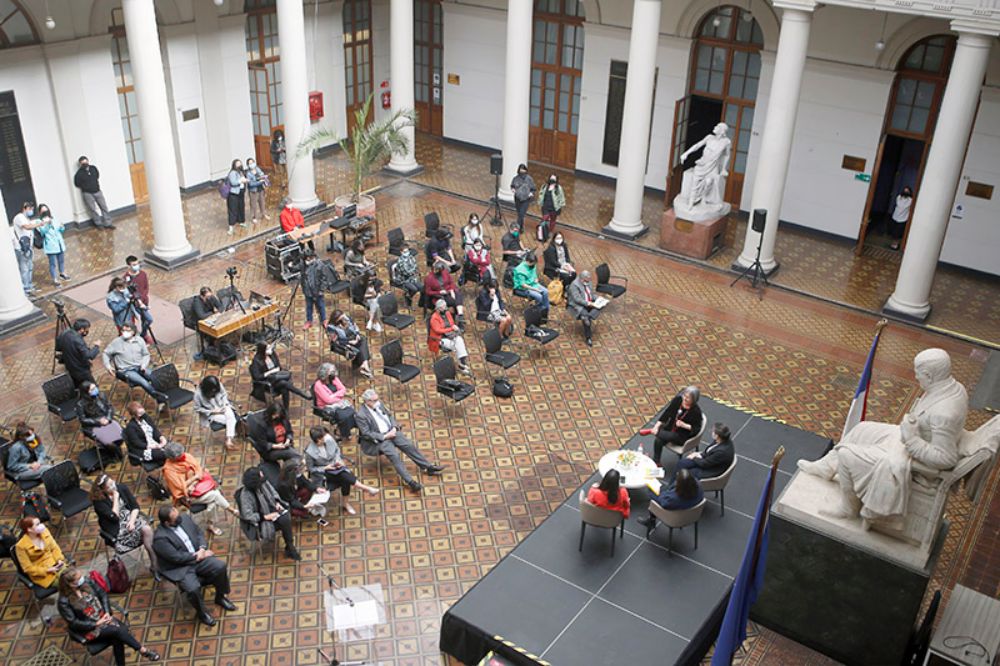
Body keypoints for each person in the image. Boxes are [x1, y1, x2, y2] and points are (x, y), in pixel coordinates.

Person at [798, 348, 967, 523]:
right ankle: (826, 467)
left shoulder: (944, 414)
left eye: (919, 375)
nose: (916, 379)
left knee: (846, 455)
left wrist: (912, 439)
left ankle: (848, 508)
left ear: (929, 375)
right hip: (912, 438)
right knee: (862, 429)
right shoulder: (953, 387)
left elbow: (946, 458)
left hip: (911, 457)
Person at [153, 505, 235, 626]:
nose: (179, 519)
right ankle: (202, 612)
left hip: (199, 557)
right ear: (167, 523)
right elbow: (176, 557)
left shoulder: (185, 518)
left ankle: (220, 596)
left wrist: (202, 548)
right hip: (181, 567)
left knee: (220, 567)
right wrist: (197, 556)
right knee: (192, 589)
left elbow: (198, 533)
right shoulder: (160, 538)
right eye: (176, 519)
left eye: (178, 515)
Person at [57, 568, 160, 664]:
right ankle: (143, 650)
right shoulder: (64, 602)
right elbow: (74, 623)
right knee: (118, 631)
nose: (82, 579)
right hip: (89, 628)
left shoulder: (87, 582)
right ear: (71, 584)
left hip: (103, 617)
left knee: (117, 636)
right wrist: (96, 623)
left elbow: (103, 595)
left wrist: (106, 612)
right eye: (78, 579)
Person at [355, 388, 443, 492]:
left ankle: (427, 467)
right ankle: (410, 481)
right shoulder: (361, 415)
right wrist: (385, 436)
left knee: (408, 445)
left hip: (392, 431)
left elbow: (389, 416)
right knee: (395, 456)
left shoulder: (378, 404)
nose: (377, 402)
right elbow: (367, 433)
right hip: (381, 439)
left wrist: (394, 427)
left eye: (377, 399)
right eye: (374, 400)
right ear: (367, 401)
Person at [162, 442, 238, 535]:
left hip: (198, 485)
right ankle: (232, 510)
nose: (183, 456)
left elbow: (199, 470)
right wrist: (194, 478)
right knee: (215, 494)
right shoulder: (169, 470)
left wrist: (193, 483)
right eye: (180, 456)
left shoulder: (187, 456)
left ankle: (211, 525)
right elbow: (180, 487)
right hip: (188, 496)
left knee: (212, 504)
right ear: (173, 459)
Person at [90, 475, 158, 576]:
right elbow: (114, 517)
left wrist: (131, 521)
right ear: (103, 490)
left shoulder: (122, 487)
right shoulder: (99, 502)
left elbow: (135, 507)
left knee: (147, 530)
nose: (113, 487)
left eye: (112, 483)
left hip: (130, 519)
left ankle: (155, 565)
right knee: (145, 535)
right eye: (109, 487)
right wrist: (116, 498)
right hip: (116, 528)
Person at [306, 427, 379, 515]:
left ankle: (347, 502)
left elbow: (337, 451)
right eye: (322, 438)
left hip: (336, 468)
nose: (325, 439)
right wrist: (325, 468)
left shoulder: (328, 440)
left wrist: (338, 461)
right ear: (317, 440)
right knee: (344, 476)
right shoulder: (310, 452)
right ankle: (366, 489)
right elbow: (311, 469)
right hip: (323, 474)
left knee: (345, 479)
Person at [236, 466, 301, 561]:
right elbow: (248, 515)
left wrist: (277, 502)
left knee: (285, 517)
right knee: (285, 520)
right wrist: (265, 517)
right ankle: (290, 547)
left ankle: (289, 546)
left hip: (271, 509)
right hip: (260, 520)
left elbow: (273, 492)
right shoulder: (245, 496)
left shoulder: (263, 483)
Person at [102, 323, 167, 404]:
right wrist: (108, 366)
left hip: (140, 366)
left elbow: (146, 354)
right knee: (143, 382)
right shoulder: (116, 342)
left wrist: (143, 365)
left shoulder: (140, 340)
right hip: (126, 370)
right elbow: (106, 353)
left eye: (127, 330)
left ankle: (167, 394)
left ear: (133, 332)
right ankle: (161, 400)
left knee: (155, 377)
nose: (124, 332)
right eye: (123, 330)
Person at [645, 386, 703, 466]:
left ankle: (653, 431)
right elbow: (667, 413)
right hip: (670, 428)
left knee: (666, 435)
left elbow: (696, 429)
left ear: (694, 400)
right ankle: (656, 461)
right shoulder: (678, 400)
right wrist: (656, 426)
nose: (685, 399)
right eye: (684, 396)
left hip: (681, 435)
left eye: (688, 398)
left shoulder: (696, 411)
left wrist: (684, 425)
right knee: (658, 440)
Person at [637, 468, 704, 531]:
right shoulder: (698, 485)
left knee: (652, 492)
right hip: (692, 513)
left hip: (675, 515)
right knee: (664, 488)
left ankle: (651, 521)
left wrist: (661, 493)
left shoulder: (673, 499)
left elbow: (663, 502)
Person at [250, 341, 309, 409]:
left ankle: (286, 409)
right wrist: (270, 372)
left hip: (277, 378)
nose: (270, 350)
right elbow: (257, 377)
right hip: (267, 382)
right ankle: (301, 393)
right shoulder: (256, 361)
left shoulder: (272, 354)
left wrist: (276, 371)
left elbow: (278, 366)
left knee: (284, 388)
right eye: (267, 349)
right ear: (262, 350)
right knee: (284, 384)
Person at [14, 516, 67, 587]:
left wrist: (59, 559)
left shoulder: (45, 532)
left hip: (55, 564)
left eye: (40, 523)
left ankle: (79, 595)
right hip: (44, 574)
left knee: (71, 576)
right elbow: (28, 568)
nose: (41, 525)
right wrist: (48, 570)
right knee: (68, 581)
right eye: (37, 524)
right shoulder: (21, 546)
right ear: (29, 529)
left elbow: (54, 548)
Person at [194, 375, 240, 451]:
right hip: (212, 412)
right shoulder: (198, 394)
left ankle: (229, 440)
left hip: (222, 405)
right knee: (231, 420)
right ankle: (229, 440)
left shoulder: (218, 385)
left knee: (230, 417)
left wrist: (225, 404)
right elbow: (197, 409)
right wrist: (213, 411)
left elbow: (224, 394)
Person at [77, 381, 124, 453]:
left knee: (122, 435)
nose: (95, 390)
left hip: (107, 419)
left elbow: (110, 407)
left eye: (95, 387)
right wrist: (98, 421)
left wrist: (108, 419)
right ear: (86, 392)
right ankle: (115, 453)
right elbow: (83, 419)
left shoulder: (101, 395)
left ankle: (115, 449)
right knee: (109, 443)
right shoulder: (80, 404)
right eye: (92, 389)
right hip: (94, 425)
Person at [313, 363, 356, 440]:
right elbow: (328, 400)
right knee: (344, 416)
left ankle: (343, 431)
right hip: (327, 406)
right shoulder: (318, 385)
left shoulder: (334, 378)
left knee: (351, 412)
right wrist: (338, 397)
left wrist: (334, 396)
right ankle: (342, 432)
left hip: (338, 402)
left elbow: (343, 389)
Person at [326, 310, 375, 378]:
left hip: (353, 337)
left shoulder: (347, 318)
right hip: (342, 343)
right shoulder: (331, 328)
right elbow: (335, 341)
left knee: (363, 340)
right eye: (341, 318)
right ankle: (365, 366)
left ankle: (364, 365)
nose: (344, 319)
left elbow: (355, 327)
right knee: (359, 348)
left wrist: (357, 335)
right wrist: (348, 342)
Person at [429, 299, 472, 375]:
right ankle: (462, 365)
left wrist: (453, 328)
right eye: (443, 307)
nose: (445, 309)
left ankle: (462, 363)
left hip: (450, 335)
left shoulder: (447, 313)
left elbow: (452, 323)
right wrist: (451, 328)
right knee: (457, 344)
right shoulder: (434, 318)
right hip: (440, 338)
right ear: (438, 309)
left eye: (445, 307)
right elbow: (438, 330)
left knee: (459, 340)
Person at [56, 318, 101, 388]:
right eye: (87, 329)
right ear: (82, 329)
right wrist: (96, 346)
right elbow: (89, 355)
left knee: (78, 387)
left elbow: (58, 346)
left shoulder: (65, 334)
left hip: (70, 368)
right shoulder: (78, 340)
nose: (87, 331)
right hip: (81, 370)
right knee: (93, 387)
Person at [73, 156, 113, 228]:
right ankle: (98, 223)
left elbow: (97, 176)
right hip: (87, 194)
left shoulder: (93, 168)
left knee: (104, 207)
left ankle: (108, 223)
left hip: (97, 191)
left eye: (85, 162)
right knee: (92, 209)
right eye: (83, 163)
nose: (85, 164)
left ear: (88, 161)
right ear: (80, 164)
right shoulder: (78, 174)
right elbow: (77, 183)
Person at [12, 201, 41, 296]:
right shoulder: (19, 217)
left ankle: (29, 285)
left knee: (30, 267)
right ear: (25, 208)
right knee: (24, 268)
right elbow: (27, 227)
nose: (31, 211)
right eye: (30, 209)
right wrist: (39, 224)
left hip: (28, 247)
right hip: (21, 248)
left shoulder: (25, 218)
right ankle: (26, 288)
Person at [36, 205, 70, 286]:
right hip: (50, 245)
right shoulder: (39, 221)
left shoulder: (54, 218)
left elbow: (59, 230)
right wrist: (48, 224)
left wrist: (62, 227)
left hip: (59, 243)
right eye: (43, 211)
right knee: (53, 263)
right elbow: (42, 232)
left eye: (47, 211)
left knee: (61, 260)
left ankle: (62, 273)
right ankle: (54, 278)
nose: (46, 213)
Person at [123, 256, 153, 340]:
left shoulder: (143, 274)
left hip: (144, 301)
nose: (137, 266)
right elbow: (128, 292)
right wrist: (138, 301)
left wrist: (142, 299)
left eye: (137, 263)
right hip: (135, 303)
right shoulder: (126, 278)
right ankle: (139, 334)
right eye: (134, 264)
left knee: (146, 319)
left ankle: (144, 334)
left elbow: (146, 287)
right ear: (129, 266)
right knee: (148, 319)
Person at [567, 271, 599, 347]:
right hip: (577, 305)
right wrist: (588, 303)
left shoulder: (589, 282)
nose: (588, 282)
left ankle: (588, 317)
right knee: (585, 315)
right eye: (586, 281)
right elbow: (577, 299)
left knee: (600, 306)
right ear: (581, 279)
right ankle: (588, 338)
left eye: (589, 280)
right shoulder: (574, 285)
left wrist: (598, 299)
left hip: (589, 303)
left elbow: (591, 294)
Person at [301, 251, 329, 329]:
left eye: (309, 258)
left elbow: (324, 279)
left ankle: (324, 320)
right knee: (309, 306)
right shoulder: (304, 265)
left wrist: (321, 290)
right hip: (308, 291)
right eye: (306, 259)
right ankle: (309, 321)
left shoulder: (320, 265)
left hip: (317, 290)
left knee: (321, 305)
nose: (308, 260)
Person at [537, 174, 566, 239]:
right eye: (551, 178)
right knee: (544, 219)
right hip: (546, 206)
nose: (552, 180)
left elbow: (562, 197)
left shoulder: (558, 188)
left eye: (554, 179)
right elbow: (541, 194)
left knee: (552, 220)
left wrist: (561, 205)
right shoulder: (544, 186)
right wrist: (540, 202)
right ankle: (542, 232)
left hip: (554, 208)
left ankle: (550, 231)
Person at [510, 163, 535, 228]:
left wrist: (531, 193)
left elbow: (533, 188)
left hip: (526, 199)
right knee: (520, 214)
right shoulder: (515, 178)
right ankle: (521, 227)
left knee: (521, 213)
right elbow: (512, 185)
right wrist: (513, 189)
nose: (522, 172)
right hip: (517, 198)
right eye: (521, 170)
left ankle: (516, 228)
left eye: (523, 170)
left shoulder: (529, 179)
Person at [888, 186, 913, 251]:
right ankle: (893, 244)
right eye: (905, 191)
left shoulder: (910, 200)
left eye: (907, 191)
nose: (905, 192)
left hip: (903, 219)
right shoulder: (899, 197)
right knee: (893, 231)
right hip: (895, 216)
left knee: (898, 233)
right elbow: (898, 205)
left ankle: (896, 245)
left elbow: (905, 207)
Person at [226, 158, 247, 233]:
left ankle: (241, 221)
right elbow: (233, 182)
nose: (239, 165)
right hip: (233, 194)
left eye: (240, 163)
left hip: (241, 192)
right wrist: (241, 181)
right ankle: (231, 226)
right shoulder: (232, 173)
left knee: (241, 207)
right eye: (237, 164)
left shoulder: (241, 172)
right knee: (233, 209)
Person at [245, 157, 269, 225]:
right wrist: (259, 182)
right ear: (248, 165)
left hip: (260, 189)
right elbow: (251, 183)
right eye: (250, 163)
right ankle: (254, 217)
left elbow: (262, 174)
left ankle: (263, 214)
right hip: (253, 191)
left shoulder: (257, 169)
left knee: (262, 202)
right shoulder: (248, 173)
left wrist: (263, 177)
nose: (252, 164)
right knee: (253, 205)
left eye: (252, 162)